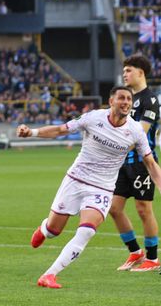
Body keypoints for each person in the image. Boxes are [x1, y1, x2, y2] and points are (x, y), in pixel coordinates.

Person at [20, 86, 161, 289]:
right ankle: (44, 229)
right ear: (111, 101)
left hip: (102, 188)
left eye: (129, 99)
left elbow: (150, 163)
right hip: (76, 180)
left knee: (86, 231)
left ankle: (49, 275)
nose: (126, 102)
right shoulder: (93, 118)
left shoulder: (135, 130)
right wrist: (31, 132)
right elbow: (61, 130)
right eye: (121, 98)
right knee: (54, 230)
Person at [110, 55, 161, 271]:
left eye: (128, 70)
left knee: (143, 209)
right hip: (123, 163)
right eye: (124, 71)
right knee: (114, 208)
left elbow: (141, 134)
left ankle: (152, 257)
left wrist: (111, 149)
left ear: (141, 72)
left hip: (142, 162)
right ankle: (135, 251)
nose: (124, 74)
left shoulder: (150, 100)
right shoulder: (126, 98)